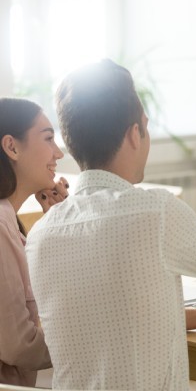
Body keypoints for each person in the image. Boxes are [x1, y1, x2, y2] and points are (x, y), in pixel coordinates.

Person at [25, 59, 196, 390]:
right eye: (145, 125)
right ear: (134, 134)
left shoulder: (40, 235)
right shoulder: (155, 211)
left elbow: (112, 321)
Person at [0, 97, 69, 386]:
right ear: (12, 147)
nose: (58, 154)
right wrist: (93, 341)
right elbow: (19, 345)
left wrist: (59, 223)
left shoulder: (9, 220)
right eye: (49, 138)